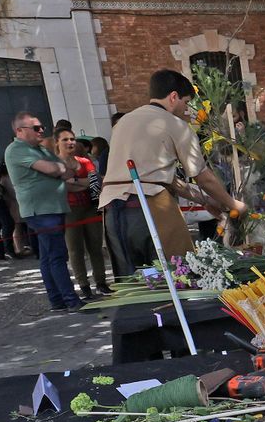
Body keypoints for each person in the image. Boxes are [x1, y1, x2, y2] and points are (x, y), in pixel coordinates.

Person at [101, 70, 246, 275]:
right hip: (152, 208)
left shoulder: (123, 122)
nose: (186, 109)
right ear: (173, 96)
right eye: (186, 102)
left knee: (135, 284)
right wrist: (233, 204)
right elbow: (203, 177)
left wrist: (206, 201)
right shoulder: (176, 125)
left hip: (112, 211)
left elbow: (164, 180)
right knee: (176, 276)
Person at [6, 112, 85, 311]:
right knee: (57, 256)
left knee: (48, 256)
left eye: (42, 127)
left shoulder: (40, 149)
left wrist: (59, 169)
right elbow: (54, 170)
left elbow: (66, 171)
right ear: (20, 131)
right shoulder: (16, 149)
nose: (42, 130)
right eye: (36, 128)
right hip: (41, 211)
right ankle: (70, 300)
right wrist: (58, 170)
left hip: (53, 208)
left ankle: (58, 301)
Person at [55, 126, 110, 299]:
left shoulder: (85, 162)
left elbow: (95, 182)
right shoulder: (54, 164)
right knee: (75, 249)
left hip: (90, 207)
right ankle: (84, 286)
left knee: (95, 246)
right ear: (57, 142)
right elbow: (61, 186)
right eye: (65, 139)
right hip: (69, 210)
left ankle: (101, 282)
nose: (70, 142)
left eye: (72, 139)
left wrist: (75, 180)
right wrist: (81, 183)